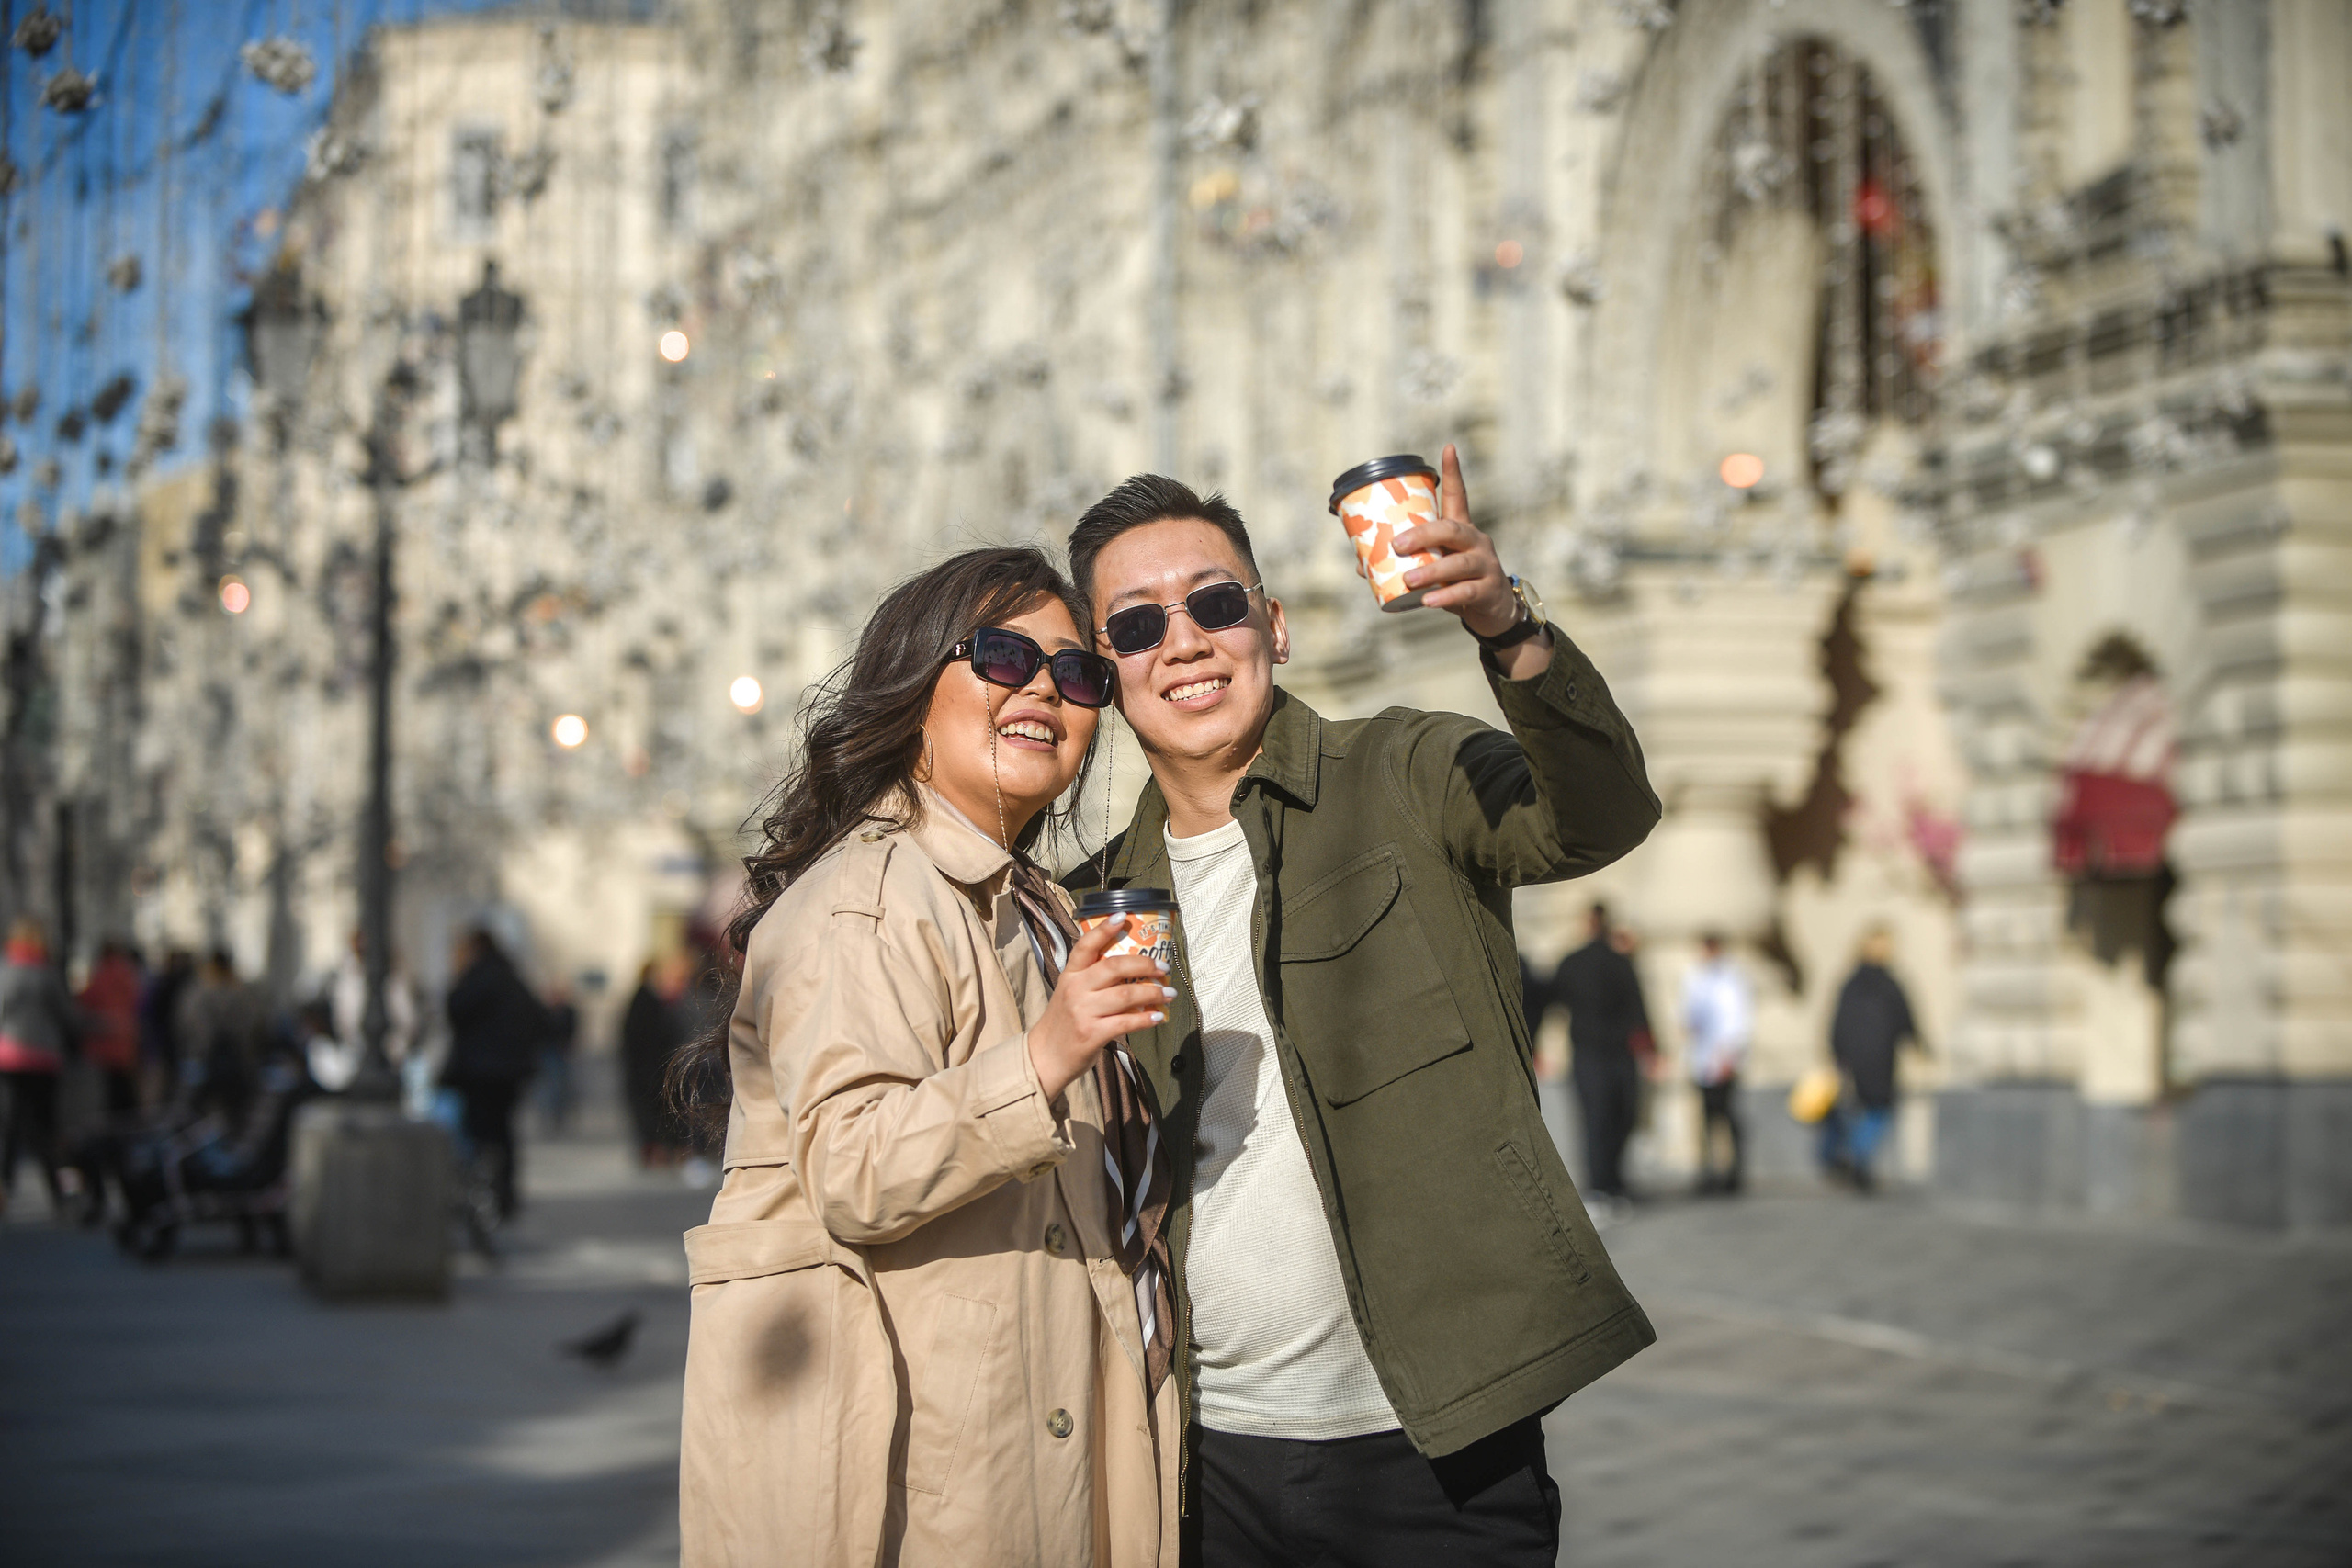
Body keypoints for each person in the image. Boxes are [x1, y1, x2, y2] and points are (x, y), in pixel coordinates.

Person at [1064, 449, 1658, 1566]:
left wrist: (1507, 625)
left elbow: (1599, 817)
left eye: (1215, 604)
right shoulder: (1093, 901)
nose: (1183, 642)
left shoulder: (1406, 770)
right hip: (1201, 1459)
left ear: (1274, 627)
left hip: (1439, 1450)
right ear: (1102, 674)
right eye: (1137, 627)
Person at [669, 547, 1174, 1566]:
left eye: (1077, 673)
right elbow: (854, 1167)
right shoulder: (866, 897)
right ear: (912, 687)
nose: (1043, 688)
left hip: (1015, 1446)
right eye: (1003, 657)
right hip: (926, 1480)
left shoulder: (1023, 903)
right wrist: (1044, 1057)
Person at [441, 928, 552, 1220]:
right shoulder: (510, 978)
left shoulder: (478, 978)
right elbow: (540, 1020)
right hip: (508, 1073)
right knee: (503, 1133)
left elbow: (455, 1009)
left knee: (483, 1135)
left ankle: (487, 1193)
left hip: (481, 1073)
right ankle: (503, 1193)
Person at [1553, 902, 1652, 1211]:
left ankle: (1609, 1183)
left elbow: (1637, 1010)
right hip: (1597, 1054)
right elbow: (1639, 1009)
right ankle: (1603, 1185)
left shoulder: (1597, 961)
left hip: (1605, 1054)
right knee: (1604, 1120)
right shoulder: (1594, 962)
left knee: (1611, 1118)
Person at [1822, 925, 1925, 1193]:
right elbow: (1906, 1020)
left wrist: (1837, 1054)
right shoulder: (1890, 984)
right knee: (1877, 1110)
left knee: (1859, 1108)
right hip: (1880, 1058)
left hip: (1854, 1058)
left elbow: (1838, 1023)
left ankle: (1849, 1155)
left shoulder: (1851, 983)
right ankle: (1859, 1157)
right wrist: (1920, 1047)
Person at [0, 919, 80, 1216]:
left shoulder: (6, 971)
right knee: (45, 1128)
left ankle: (4, 1188)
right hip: (44, 1059)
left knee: (8, 1127)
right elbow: (67, 1016)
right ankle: (57, 1194)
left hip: (9, 1058)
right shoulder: (47, 973)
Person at [1680, 933, 1752, 1196]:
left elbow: (1738, 1020)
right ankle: (1708, 1171)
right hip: (1702, 1060)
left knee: (1728, 1117)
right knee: (1706, 1119)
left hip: (1725, 1060)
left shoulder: (1731, 978)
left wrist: (1729, 1056)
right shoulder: (1695, 977)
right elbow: (1688, 1016)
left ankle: (1733, 1172)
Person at [620, 953, 692, 1166]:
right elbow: (649, 1038)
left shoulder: (648, 999)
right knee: (652, 1111)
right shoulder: (647, 1001)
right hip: (649, 1070)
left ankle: (658, 1150)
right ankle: (656, 1151)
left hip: (648, 1069)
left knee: (654, 1111)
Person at [76, 940, 145, 1115]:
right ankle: (131, 1119)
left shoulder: (101, 975)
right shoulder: (128, 974)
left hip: (105, 1038)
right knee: (126, 1086)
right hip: (126, 1037)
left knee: (110, 1089)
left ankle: (116, 1121)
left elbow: (85, 1002)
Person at [537, 981, 580, 1134]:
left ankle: (559, 1117)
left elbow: (572, 1029)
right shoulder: (544, 1012)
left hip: (562, 1052)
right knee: (549, 1087)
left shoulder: (568, 1012)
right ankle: (550, 1117)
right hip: (548, 1052)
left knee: (561, 1087)